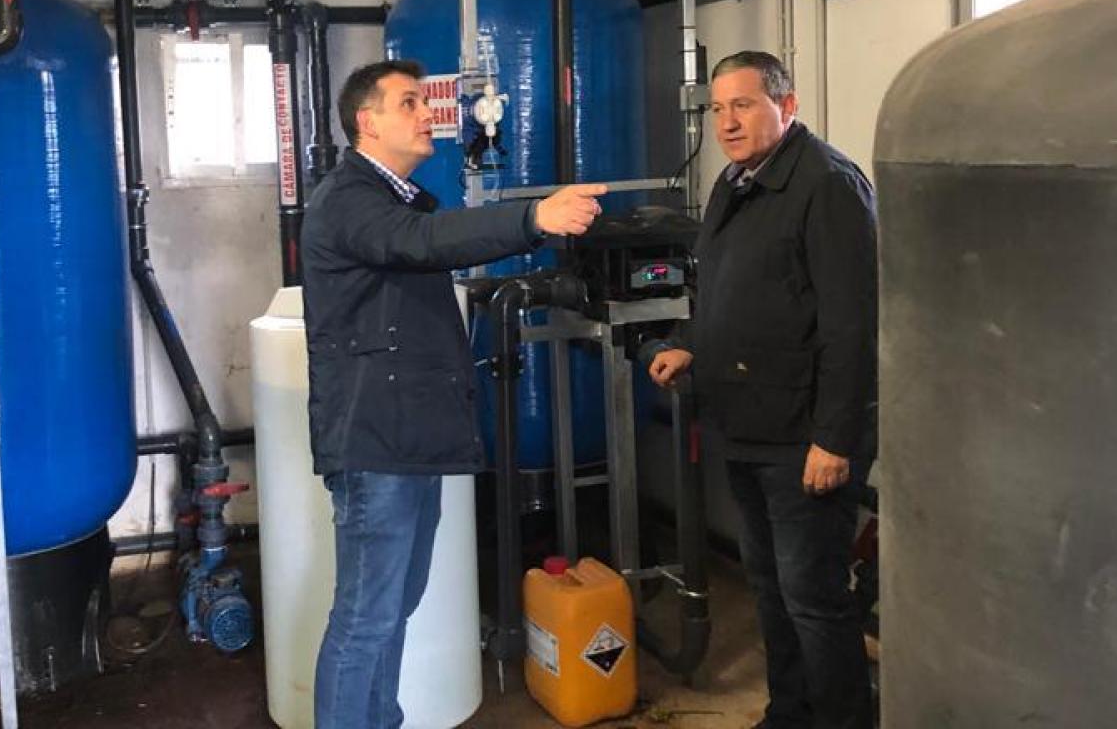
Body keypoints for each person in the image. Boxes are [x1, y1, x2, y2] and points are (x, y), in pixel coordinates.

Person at [303, 59, 607, 728]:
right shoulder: (350, 199)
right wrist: (533, 218)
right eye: (409, 103)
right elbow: (421, 244)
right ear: (367, 121)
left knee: (394, 606)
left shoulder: (399, 199)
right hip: (376, 443)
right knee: (365, 618)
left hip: (407, 437)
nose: (427, 114)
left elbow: (423, 247)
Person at [649, 50, 877, 729]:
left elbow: (854, 325)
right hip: (748, 422)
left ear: (788, 105)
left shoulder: (827, 185)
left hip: (804, 436)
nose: (727, 122)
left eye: (743, 105)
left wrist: (834, 439)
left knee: (814, 599)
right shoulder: (736, 182)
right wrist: (691, 341)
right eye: (718, 108)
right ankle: (790, 715)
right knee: (773, 591)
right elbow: (727, 290)